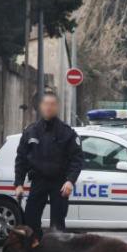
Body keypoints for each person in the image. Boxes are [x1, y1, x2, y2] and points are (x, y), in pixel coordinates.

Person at [14, 92, 83, 238]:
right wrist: (19, 183)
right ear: (41, 107)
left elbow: (77, 159)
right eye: (46, 104)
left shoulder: (67, 132)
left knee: (57, 227)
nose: (48, 108)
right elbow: (21, 159)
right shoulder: (31, 131)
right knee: (30, 221)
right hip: (38, 181)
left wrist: (70, 181)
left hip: (59, 183)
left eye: (52, 104)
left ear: (56, 107)